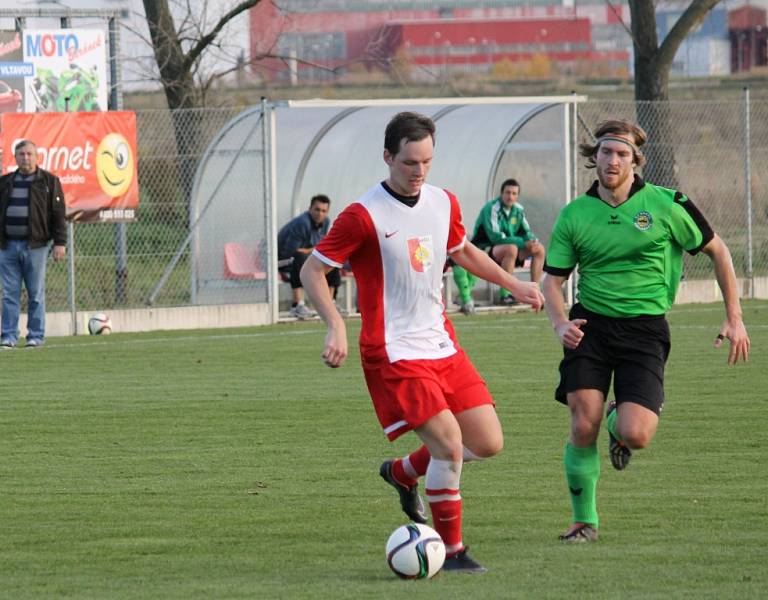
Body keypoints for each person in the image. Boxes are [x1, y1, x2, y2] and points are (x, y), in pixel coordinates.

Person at [300, 112, 544, 573]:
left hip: (442, 346)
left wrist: (513, 284)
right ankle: (451, 552)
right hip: (393, 353)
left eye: (428, 162)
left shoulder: (443, 202)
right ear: (388, 157)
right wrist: (335, 323)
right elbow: (312, 270)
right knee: (450, 446)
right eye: (410, 162)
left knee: (488, 442)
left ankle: (402, 472)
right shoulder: (362, 215)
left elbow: (463, 251)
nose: (419, 172)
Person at [542, 119, 751, 543]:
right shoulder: (574, 214)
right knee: (584, 424)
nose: (612, 160)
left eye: (622, 154)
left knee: (636, 434)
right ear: (594, 157)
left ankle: (623, 418)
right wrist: (560, 322)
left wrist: (734, 316)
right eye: (605, 152)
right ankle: (584, 522)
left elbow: (718, 250)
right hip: (591, 326)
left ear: (636, 161)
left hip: (645, 330)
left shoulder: (667, 204)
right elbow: (552, 281)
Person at [0, 139, 67, 348]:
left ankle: (36, 336)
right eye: (21, 154)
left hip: (36, 247)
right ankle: (8, 337)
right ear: (15, 157)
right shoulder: (4, 182)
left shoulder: (49, 182)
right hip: (8, 247)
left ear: (37, 157)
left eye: (29, 154)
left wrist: (60, 243)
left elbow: (58, 215)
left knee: (35, 293)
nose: (25, 158)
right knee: (9, 294)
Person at [452, 178, 545, 314]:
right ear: (501, 193)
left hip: (507, 249)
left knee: (539, 249)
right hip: (485, 248)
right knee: (511, 248)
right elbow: (495, 237)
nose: (510, 196)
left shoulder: (518, 210)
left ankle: (535, 292)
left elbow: (526, 232)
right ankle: (506, 294)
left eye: (514, 193)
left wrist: (532, 241)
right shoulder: (492, 208)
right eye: (508, 192)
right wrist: (522, 242)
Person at [278, 194, 340, 319]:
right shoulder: (302, 223)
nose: (320, 214)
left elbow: (320, 247)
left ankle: (330, 304)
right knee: (299, 257)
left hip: (305, 258)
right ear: (310, 208)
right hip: (282, 260)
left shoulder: (326, 222)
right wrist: (314, 250)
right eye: (317, 209)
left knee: (331, 259)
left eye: (324, 211)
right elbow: (291, 252)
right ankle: (297, 305)